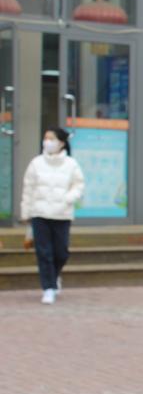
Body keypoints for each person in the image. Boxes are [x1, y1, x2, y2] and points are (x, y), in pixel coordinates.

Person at [20, 127, 85, 305]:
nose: (47, 142)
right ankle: (48, 288)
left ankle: (54, 276)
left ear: (61, 143)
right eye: (45, 138)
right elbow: (28, 189)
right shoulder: (36, 163)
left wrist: (68, 198)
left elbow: (78, 185)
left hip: (62, 214)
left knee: (61, 252)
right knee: (44, 253)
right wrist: (26, 212)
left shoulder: (71, 164)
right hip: (39, 213)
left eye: (51, 139)